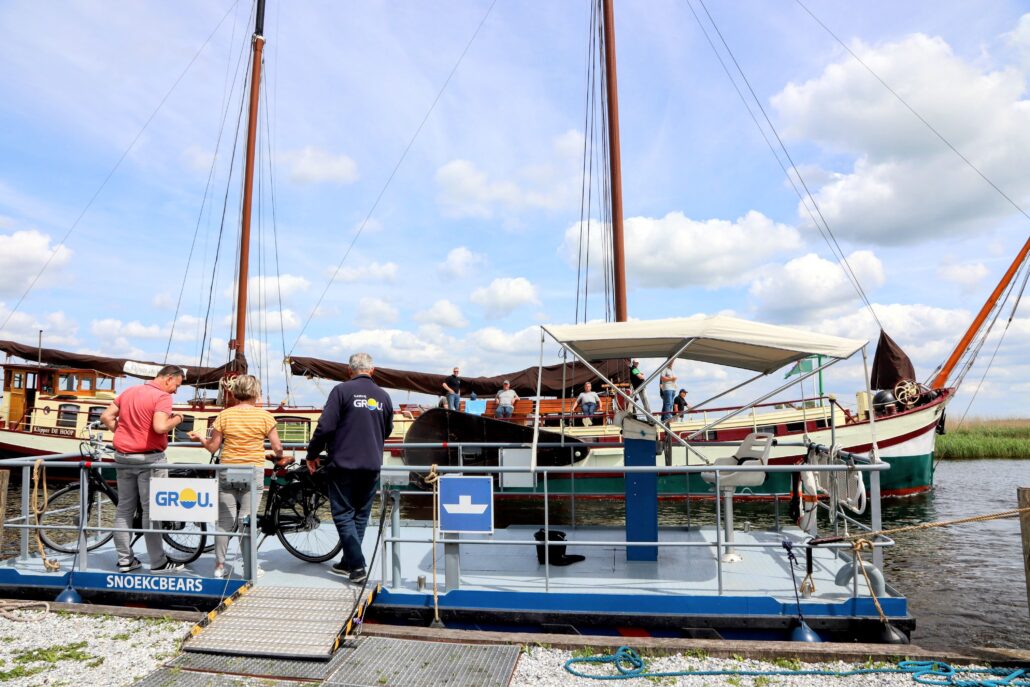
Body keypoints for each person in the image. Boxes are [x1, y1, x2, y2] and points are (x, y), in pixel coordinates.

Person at [307, 352, 393, 584]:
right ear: (372, 371)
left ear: (349, 371)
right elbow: (387, 430)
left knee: (343, 513)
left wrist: (312, 454)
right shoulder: (384, 396)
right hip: (372, 464)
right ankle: (347, 561)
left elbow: (325, 427)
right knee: (361, 514)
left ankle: (357, 566)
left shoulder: (341, 391)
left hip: (343, 464)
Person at [189, 375, 286, 578]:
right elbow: (277, 448)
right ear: (256, 393)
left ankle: (219, 566)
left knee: (224, 521)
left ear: (234, 393)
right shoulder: (266, 417)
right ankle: (250, 567)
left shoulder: (224, 415)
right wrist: (278, 455)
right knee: (247, 520)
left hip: (227, 470)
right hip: (252, 471)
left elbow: (212, 447)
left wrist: (200, 438)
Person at [99, 365, 186, 574]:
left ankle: (124, 561)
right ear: (168, 379)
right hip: (149, 460)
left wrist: (122, 433)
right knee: (152, 510)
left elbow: (106, 417)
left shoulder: (129, 392)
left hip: (123, 457)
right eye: (177, 385)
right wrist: (179, 418)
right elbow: (160, 427)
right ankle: (158, 562)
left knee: (124, 508)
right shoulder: (162, 397)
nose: (176, 391)